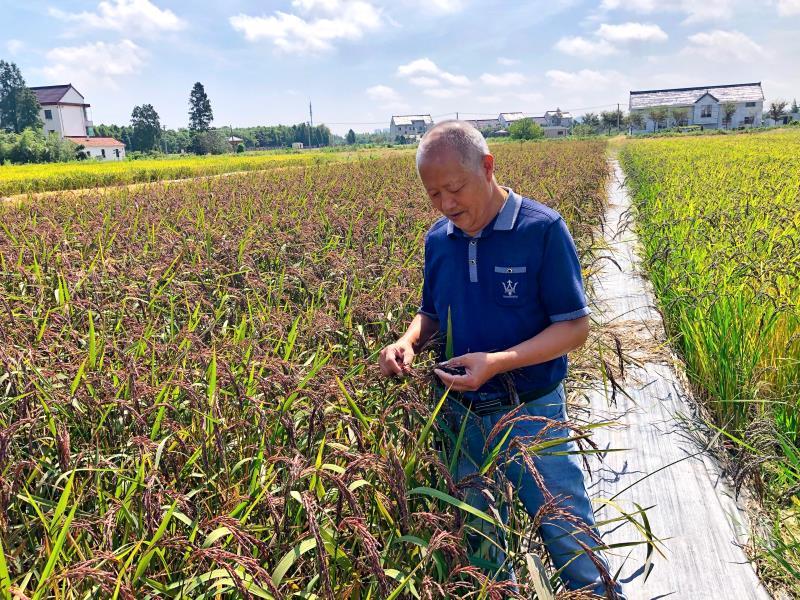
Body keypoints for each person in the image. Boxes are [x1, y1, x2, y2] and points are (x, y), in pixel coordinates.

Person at [378, 121, 626, 599]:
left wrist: (497, 361)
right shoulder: (438, 240)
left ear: (488, 167)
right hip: (459, 415)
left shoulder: (541, 230)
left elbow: (574, 328)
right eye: (434, 195)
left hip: (530, 412)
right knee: (481, 535)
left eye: (455, 188)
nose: (447, 205)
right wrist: (407, 342)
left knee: (565, 525)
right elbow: (431, 313)